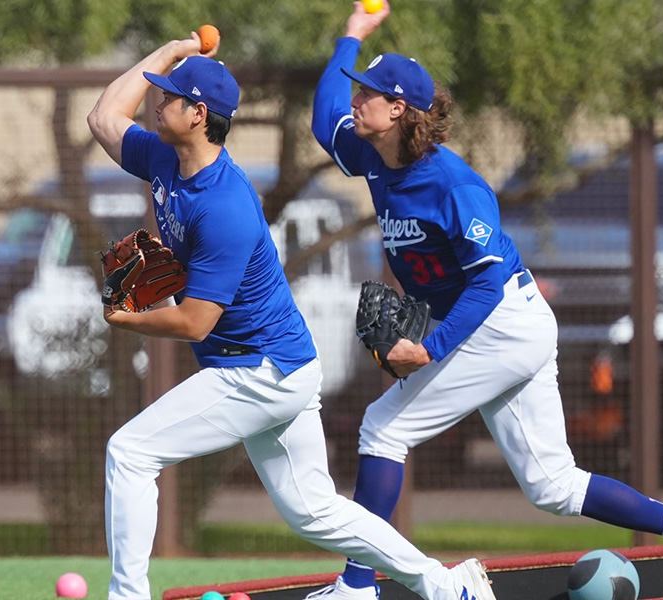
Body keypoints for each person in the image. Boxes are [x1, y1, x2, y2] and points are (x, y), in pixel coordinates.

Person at [307, 1, 663, 598]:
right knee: (552, 486)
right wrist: (351, 35)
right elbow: (324, 120)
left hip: (499, 322)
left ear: (397, 109)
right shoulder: (373, 154)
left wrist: (432, 348)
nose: (356, 99)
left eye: (367, 93)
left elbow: (485, 283)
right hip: (503, 325)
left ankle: (356, 585)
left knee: (381, 430)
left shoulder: (455, 186)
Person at [87, 31, 498, 600]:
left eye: (170, 95)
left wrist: (127, 318)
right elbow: (105, 116)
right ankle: (450, 586)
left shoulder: (224, 205)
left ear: (199, 114)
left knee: (130, 452)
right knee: (316, 513)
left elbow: (194, 323)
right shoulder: (164, 157)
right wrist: (169, 54)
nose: (156, 101)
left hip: (257, 371)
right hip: (284, 365)